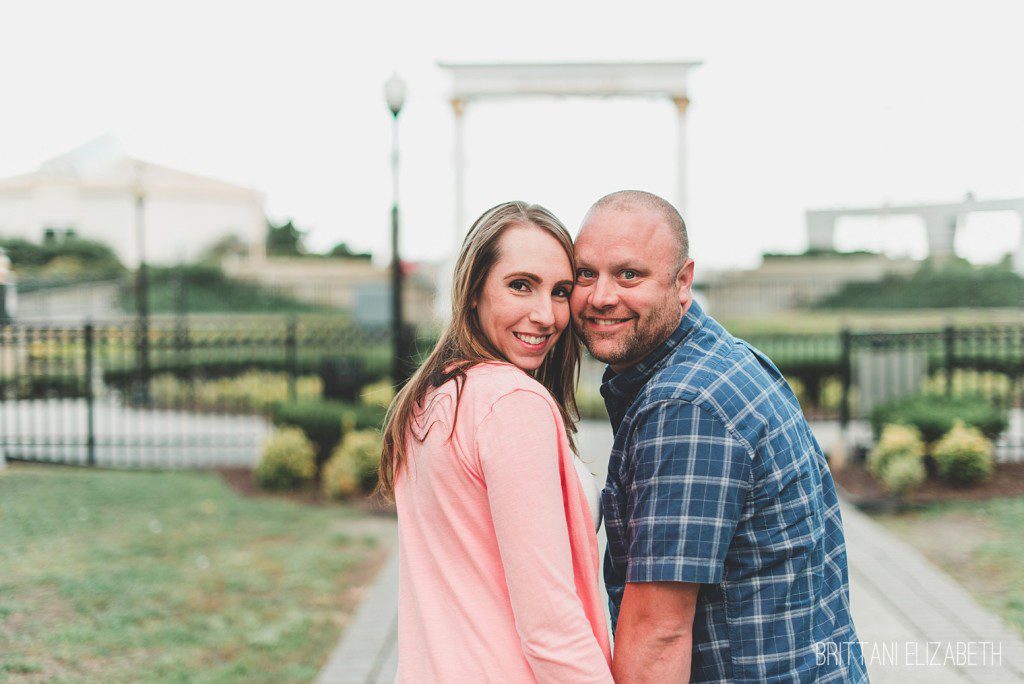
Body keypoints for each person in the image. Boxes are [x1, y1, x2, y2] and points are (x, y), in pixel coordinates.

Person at [571, 190, 867, 682]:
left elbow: (658, 635)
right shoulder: (726, 359)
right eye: (586, 273)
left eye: (629, 274)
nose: (601, 296)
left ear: (682, 281)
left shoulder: (684, 407)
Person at [378, 201, 613, 683]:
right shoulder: (512, 403)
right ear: (473, 291)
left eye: (561, 292)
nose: (545, 315)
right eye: (520, 285)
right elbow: (551, 626)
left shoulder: (431, 398)